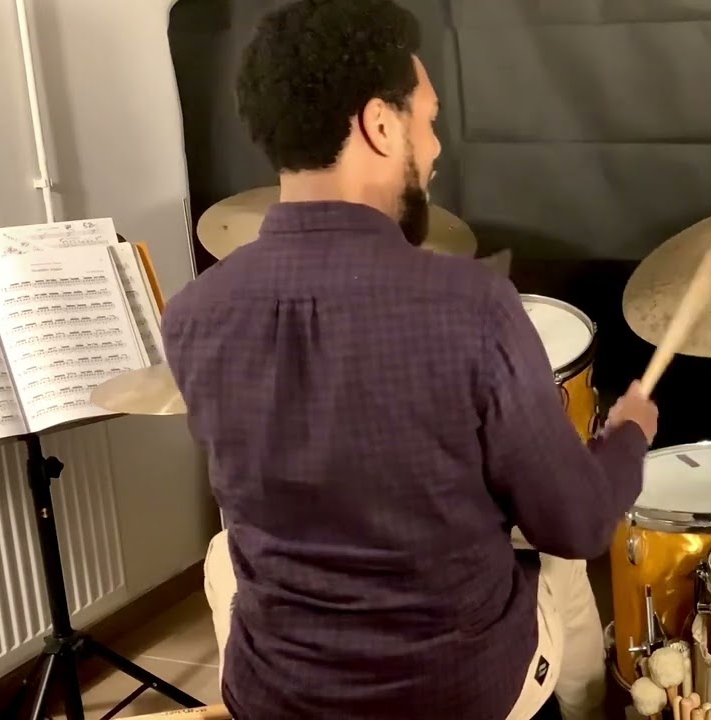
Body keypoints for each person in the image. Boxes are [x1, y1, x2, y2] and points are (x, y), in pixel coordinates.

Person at [162, 1, 658, 718]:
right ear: (380, 123)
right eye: (426, 120)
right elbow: (577, 523)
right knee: (555, 566)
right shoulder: (472, 304)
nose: (434, 149)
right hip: (456, 692)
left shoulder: (194, 315)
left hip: (277, 694)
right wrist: (627, 437)